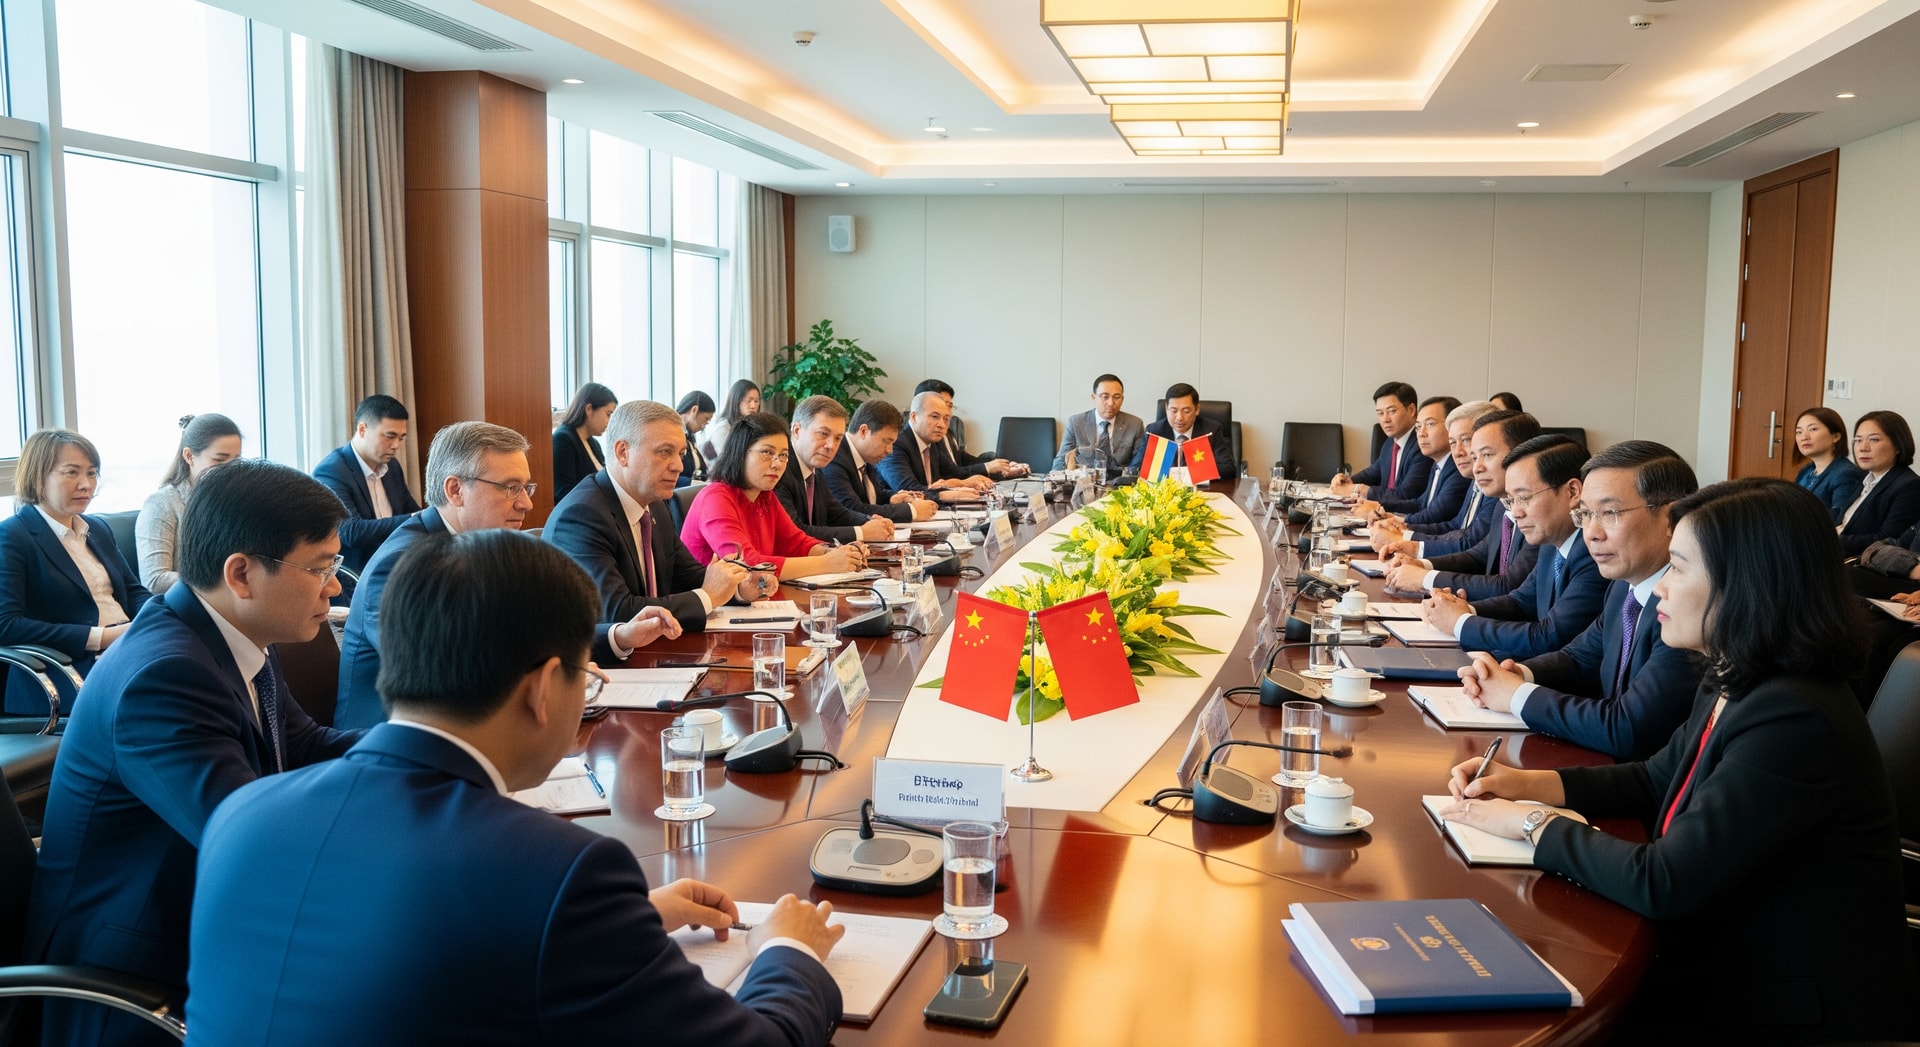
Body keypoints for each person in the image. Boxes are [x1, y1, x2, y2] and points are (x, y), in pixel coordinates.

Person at [186, 530, 846, 1046]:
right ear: (540, 688)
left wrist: (625, 923)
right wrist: (789, 949)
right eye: (585, 679)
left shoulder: (244, 813)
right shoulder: (558, 872)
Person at [1442, 479, 1917, 1044]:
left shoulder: (1795, 715)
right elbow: (1655, 777)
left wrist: (1528, 824)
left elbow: (1664, 882)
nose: (1661, 588)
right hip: (1714, 955)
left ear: (1748, 586)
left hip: (1776, 1006)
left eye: (1680, 568)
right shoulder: (1740, 673)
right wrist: (1524, 784)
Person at [24, 460, 363, 1046]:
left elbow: (302, 745)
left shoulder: (230, 632)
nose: (334, 586)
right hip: (135, 976)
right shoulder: (166, 674)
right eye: (320, 567)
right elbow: (249, 839)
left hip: (207, 916)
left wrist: (427, 749)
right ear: (241, 573)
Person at [1454, 441, 1703, 759]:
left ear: (1671, 518)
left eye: (1610, 513)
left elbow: (1628, 729)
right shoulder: (1624, 588)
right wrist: (1516, 674)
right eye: (1586, 514)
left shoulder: (1687, 609)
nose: (1592, 533)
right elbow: (1579, 658)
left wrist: (1516, 695)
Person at [546, 400, 774, 631]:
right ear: (623, 452)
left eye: (681, 453)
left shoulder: (655, 505)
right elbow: (615, 611)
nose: (678, 466)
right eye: (665, 452)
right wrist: (708, 596)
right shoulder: (581, 516)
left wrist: (737, 587)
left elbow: (685, 576)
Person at [0, 429, 153, 716]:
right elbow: (6, 625)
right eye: (72, 473)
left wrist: (156, 616)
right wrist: (101, 637)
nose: (86, 484)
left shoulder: (96, 528)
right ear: (38, 476)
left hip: (127, 649)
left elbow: (133, 592)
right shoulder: (11, 537)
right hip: (66, 672)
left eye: (92, 473)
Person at [1421, 435, 1606, 660]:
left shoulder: (1595, 554)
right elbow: (1521, 601)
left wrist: (1461, 623)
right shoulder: (1552, 542)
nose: (1516, 512)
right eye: (1511, 501)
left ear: (1573, 492)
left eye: (1524, 497)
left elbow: (1549, 637)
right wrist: (1464, 609)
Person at [681, 411, 872, 582]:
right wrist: (828, 563)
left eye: (783, 455)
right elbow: (746, 563)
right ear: (740, 452)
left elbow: (797, 542)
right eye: (767, 452)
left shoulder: (765, 496)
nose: (777, 464)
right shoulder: (715, 498)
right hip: (711, 611)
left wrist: (837, 552)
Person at [1382, 411, 1543, 599]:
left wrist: (1427, 578)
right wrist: (1422, 564)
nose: (1477, 468)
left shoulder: (1539, 514)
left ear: (1522, 454)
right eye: (1475, 458)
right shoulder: (1503, 505)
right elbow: (1477, 556)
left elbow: (1509, 587)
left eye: (1487, 455)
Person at [312, 394, 421, 602]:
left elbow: (408, 507)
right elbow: (351, 532)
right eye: (389, 436)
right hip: (356, 576)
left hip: (395, 564)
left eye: (401, 438)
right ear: (362, 430)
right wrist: (416, 517)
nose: (396, 445)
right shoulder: (332, 471)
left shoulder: (392, 467)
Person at [1370, 399, 1499, 553]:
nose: (1457, 451)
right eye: (1453, 442)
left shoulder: (1493, 484)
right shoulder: (1464, 474)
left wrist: (1405, 539)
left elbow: (1468, 540)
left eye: (1466, 440)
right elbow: (1455, 525)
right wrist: (1402, 528)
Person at [135, 413, 243, 594]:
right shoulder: (162, 504)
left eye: (236, 460)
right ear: (189, 456)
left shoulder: (237, 501)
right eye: (219, 460)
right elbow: (155, 580)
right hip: (190, 607)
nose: (230, 469)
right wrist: (222, 581)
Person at [775, 395, 895, 544]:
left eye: (838, 438)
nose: (831, 445)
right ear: (797, 430)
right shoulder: (779, 470)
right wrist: (862, 532)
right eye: (823, 434)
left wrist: (870, 521)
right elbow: (796, 532)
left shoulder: (815, 468)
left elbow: (835, 512)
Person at [824, 399, 939, 524]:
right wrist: (912, 511)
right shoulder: (834, 459)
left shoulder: (864, 456)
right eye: (886, 441)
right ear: (863, 431)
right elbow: (852, 509)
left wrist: (893, 498)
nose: (890, 451)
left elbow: (875, 494)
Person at [1356, 395, 1462, 522]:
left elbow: (1434, 515)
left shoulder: (1459, 469)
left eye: (1429, 424)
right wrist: (1379, 507)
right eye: (1418, 427)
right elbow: (1420, 504)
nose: (1421, 433)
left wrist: (1394, 521)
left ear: (1454, 427)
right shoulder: (1438, 464)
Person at [878, 392, 994, 498]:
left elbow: (954, 472)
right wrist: (951, 490)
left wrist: (989, 477)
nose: (942, 425)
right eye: (934, 417)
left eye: (946, 419)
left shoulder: (931, 443)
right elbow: (909, 490)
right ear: (914, 417)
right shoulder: (896, 445)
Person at [1837, 409, 1920, 556]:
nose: (1863, 448)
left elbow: (1889, 539)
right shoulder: (1867, 478)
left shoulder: (1909, 485)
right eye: (1857, 440)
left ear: (1898, 445)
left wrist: (1832, 541)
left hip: (1862, 566)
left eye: (1874, 439)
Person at [1332, 381, 1431, 503]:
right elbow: (1372, 473)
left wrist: (1358, 489)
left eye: (1391, 411)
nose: (1385, 419)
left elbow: (1404, 495)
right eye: (1380, 413)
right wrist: (1347, 480)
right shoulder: (1390, 443)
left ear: (1411, 410)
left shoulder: (1423, 446)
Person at [914, 378, 1024, 478]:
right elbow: (948, 473)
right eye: (942, 405)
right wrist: (987, 467)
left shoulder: (948, 432)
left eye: (949, 406)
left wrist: (1003, 466)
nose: (947, 411)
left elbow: (964, 459)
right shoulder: (926, 439)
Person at [1130, 382, 1239, 481]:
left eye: (1186, 411)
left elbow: (1228, 469)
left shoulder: (1211, 430)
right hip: (1164, 495)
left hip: (1202, 492)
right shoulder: (1154, 431)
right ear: (1166, 409)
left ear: (1197, 410)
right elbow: (1135, 468)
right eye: (1174, 411)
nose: (1179, 418)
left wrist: (1185, 474)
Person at [1051, 373, 1145, 475]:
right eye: (1105, 397)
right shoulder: (1076, 423)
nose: (1110, 403)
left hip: (1120, 484)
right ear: (1093, 397)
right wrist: (1056, 478)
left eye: (1116, 397)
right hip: (1085, 483)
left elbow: (1139, 464)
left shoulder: (1135, 424)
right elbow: (1061, 460)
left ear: (1122, 399)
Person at [1791, 406, 1864, 523]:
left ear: (1835, 436)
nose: (1804, 437)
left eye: (1813, 429)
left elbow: (1839, 518)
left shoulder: (1846, 474)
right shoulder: (1806, 471)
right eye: (1799, 432)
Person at [551, 381, 618, 502]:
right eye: (608, 414)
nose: (610, 421)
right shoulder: (562, 440)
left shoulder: (593, 443)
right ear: (589, 409)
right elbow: (564, 492)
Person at [702, 378, 761, 461]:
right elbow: (730, 459)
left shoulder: (755, 426)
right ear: (736, 400)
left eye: (756, 401)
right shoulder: (723, 428)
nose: (753, 406)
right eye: (749, 400)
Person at [677, 390, 717, 487]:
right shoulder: (673, 435)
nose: (704, 425)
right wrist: (694, 483)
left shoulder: (690, 436)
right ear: (694, 410)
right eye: (706, 419)